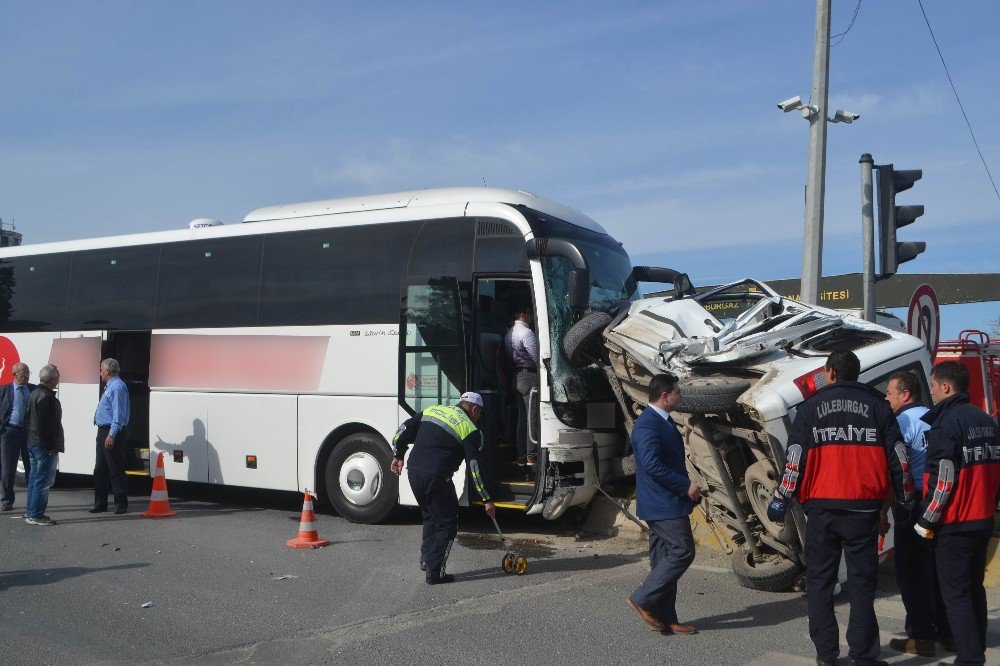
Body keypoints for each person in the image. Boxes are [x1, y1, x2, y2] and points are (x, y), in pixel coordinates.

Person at [768, 350, 913, 666]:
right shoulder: (879, 407)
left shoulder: (810, 408)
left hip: (821, 510)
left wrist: (782, 496)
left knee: (820, 583)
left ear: (830, 373)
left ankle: (826, 655)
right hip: (863, 510)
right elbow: (899, 460)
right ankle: (863, 655)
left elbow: (795, 458)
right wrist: (905, 498)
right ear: (856, 374)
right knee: (862, 584)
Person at [914, 361, 1000, 666]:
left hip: (956, 521)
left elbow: (944, 477)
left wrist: (925, 520)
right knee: (973, 587)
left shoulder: (946, 423)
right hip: (982, 518)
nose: (933, 392)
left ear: (946, 388)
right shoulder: (986, 421)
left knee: (956, 594)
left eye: (934, 386)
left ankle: (969, 657)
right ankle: (975, 641)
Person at [390, 392, 496, 584]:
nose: (478, 417)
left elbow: (401, 430)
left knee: (430, 514)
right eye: (479, 413)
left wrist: (398, 454)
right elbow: (474, 468)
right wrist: (486, 498)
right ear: (474, 409)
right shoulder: (469, 429)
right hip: (436, 476)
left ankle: (427, 560)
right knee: (447, 523)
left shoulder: (433, 410)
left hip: (413, 471)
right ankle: (435, 572)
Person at [883, 371, 951, 657]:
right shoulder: (936, 417)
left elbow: (897, 469)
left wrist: (888, 508)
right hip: (938, 503)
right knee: (939, 569)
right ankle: (949, 632)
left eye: (890, 393)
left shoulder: (901, 422)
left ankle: (922, 636)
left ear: (905, 394)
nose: (886, 398)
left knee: (911, 572)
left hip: (911, 505)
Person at [627, 373, 700, 635]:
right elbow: (651, 465)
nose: (680, 396)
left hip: (664, 502)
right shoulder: (648, 425)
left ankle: (665, 617)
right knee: (683, 551)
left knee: (662, 560)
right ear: (665, 396)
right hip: (662, 504)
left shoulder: (662, 422)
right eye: (677, 392)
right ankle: (642, 598)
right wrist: (684, 486)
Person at [23, 364, 63, 526]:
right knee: (43, 481)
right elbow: (46, 425)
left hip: (32, 442)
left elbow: (27, 419)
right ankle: (37, 514)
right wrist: (49, 447)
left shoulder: (34, 393)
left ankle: (31, 512)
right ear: (52, 378)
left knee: (34, 479)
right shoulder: (46, 397)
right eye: (58, 375)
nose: (59, 377)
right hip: (43, 446)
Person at [91, 358, 131, 515]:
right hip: (103, 430)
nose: (100, 372)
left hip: (111, 431)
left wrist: (112, 434)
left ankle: (121, 503)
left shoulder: (117, 387)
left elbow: (119, 414)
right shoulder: (110, 386)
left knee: (115, 468)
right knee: (100, 469)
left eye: (101, 369)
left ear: (107, 371)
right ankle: (100, 503)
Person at [504, 304, 539, 466]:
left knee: (521, 419)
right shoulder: (527, 333)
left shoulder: (509, 333)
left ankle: (521, 456)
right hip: (529, 377)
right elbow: (537, 358)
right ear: (523, 315)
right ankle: (532, 456)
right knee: (532, 418)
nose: (532, 316)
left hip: (516, 377)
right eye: (530, 313)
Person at [0, 363, 35, 511]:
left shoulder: (33, 389)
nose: (26, 377)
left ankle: (33, 501)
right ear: (14, 375)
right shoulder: (5, 390)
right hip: (10, 432)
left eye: (28, 374)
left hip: (28, 433)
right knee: (8, 468)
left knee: (32, 467)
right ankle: (7, 500)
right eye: (23, 374)